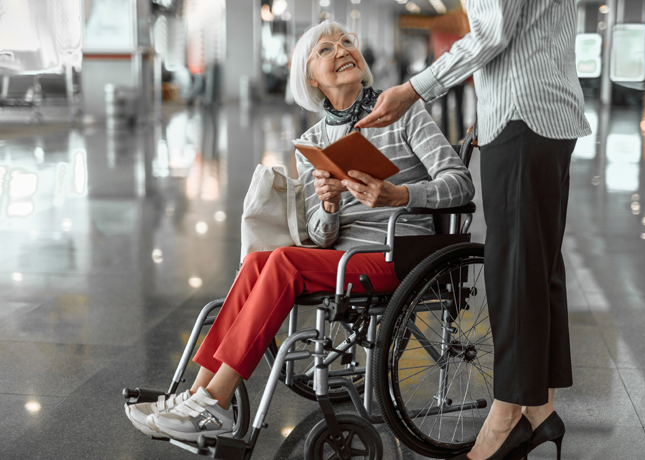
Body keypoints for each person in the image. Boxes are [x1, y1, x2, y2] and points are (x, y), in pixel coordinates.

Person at [124, 20, 474, 442]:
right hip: (342, 258)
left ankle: (217, 402)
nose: (342, 49)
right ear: (311, 78)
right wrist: (328, 204)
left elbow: (460, 183)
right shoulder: (313, 142)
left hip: (400, 253)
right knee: (257, 262)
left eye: (347, 42)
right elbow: (321, 236)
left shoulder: (403, 114)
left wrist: (398, 195)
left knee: (285, 261)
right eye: (325, 49)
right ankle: (196, 395)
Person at [356, 1, 591, 460]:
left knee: (516, 267)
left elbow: (492, 32)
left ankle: (506, 416)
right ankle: (540, 409)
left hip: (524, 114)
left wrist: (413, 89)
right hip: (543, 111)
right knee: (537, 263)